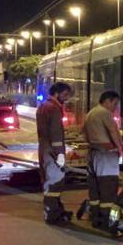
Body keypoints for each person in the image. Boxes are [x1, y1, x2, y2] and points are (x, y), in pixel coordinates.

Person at [82, 90, 123, 228]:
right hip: (106, 155)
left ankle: (95, 216)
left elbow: (84, 133)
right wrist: (121, 149)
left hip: (93, 154)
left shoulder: (91, 113)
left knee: (95, 189)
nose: (116, 108)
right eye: (115, 103)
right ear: (107, 101)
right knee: (108, 187)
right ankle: (106, 220)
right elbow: (113, 131)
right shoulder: (105, 113)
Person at [36, 82, 73, 224]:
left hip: (45, 149)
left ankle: (56, 210)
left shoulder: (43, 106)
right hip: (53, 152)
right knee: (55, 183)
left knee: (49, 181)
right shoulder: (54, 108)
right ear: (56, 93)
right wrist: (60, 155)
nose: (67, 98)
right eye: (65, 94)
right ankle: (52, 214)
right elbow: (56, 134)